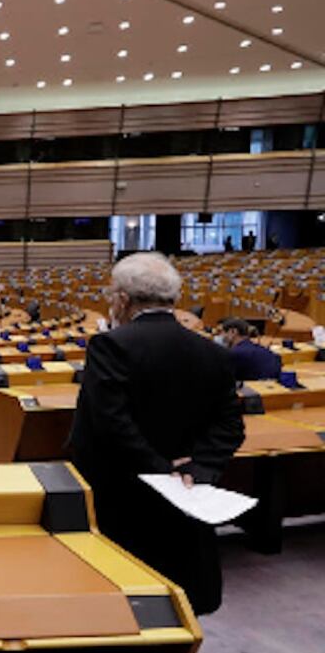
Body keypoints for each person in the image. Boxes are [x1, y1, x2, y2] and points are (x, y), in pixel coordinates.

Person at [70, 252, 243, 616]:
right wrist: (198, 469)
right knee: (176, 603)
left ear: (122, 300)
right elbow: (230, 426)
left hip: (123, 496)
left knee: (125, 598)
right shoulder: (212, 351)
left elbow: (110, 423)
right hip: (187, 497)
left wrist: (159, 468)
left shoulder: (111, 345)